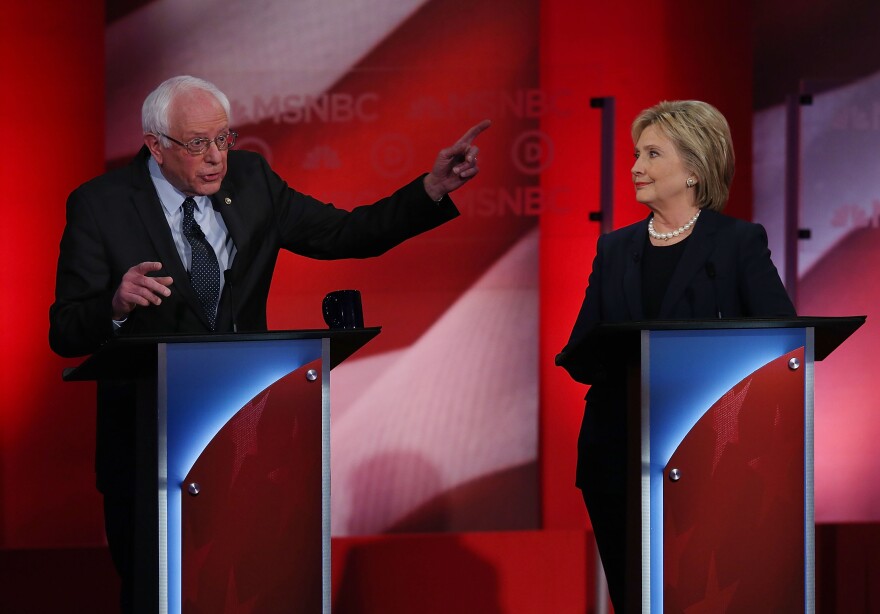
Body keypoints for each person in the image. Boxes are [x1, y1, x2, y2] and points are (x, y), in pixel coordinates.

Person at [48, 75, 489, 611]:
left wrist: (431, 190)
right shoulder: (101, 205)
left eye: (223, 140)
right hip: (149, 452)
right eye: (197, 144)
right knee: (158, 594)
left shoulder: (252, 179)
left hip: (247, 443)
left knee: (253, 592)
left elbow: (346, 234)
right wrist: (115, 305)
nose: (215, 158)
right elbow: (66, 329)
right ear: (154, 145)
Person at [555, 100, 796, 612]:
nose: (636, 167)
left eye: (652, 154)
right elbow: (581, 348)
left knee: (700, 596)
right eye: (636, 154)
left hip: (709, 454)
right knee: (634, 595)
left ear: (693, 169)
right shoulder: (614, 249)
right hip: (617, 453)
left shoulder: (737, 243)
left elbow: (783, 339)